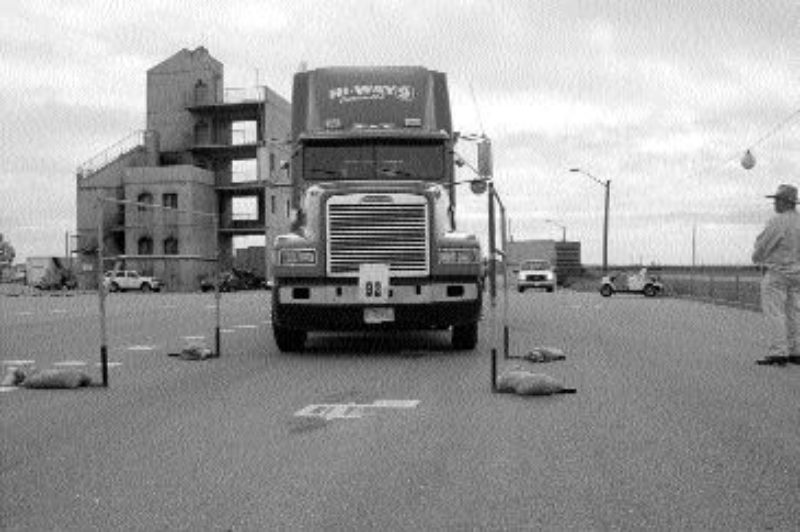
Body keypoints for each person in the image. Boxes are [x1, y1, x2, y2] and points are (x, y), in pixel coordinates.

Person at [752, 184, 800, 365]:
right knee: (794, 312)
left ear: (785, 202)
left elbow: (763, 244)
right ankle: (796, 351)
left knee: (776, 312)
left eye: (777, 200)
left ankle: (779, 352)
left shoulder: (777, 221)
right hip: (798, 275)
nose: (774, 204)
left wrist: (757, 259)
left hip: (778, 273)